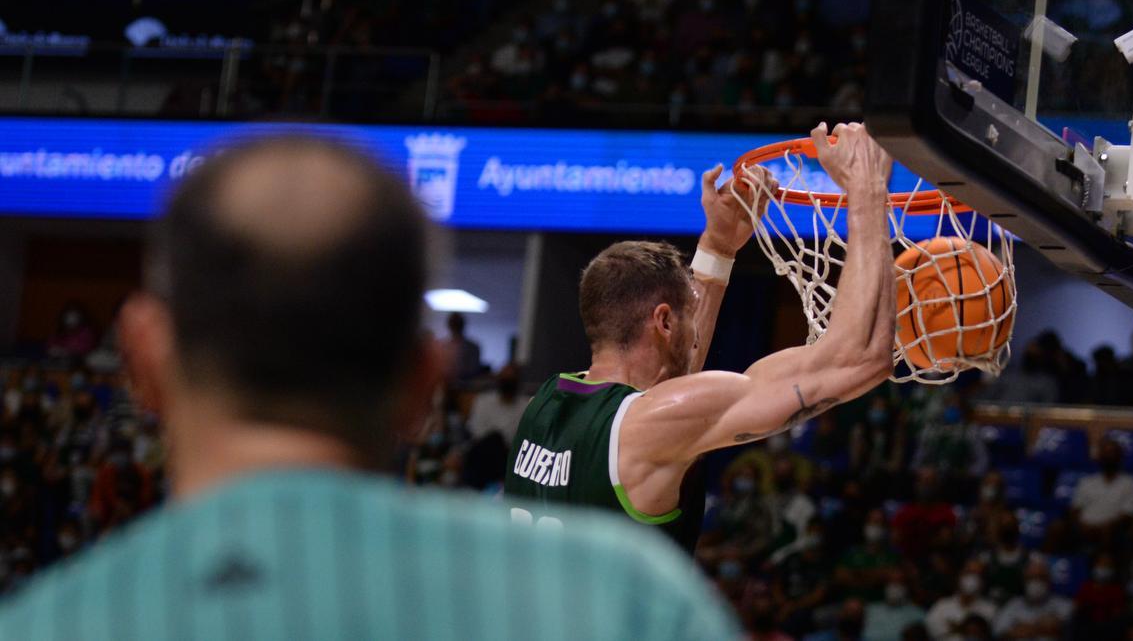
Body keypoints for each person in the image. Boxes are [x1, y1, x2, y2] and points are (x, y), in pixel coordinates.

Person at [0, 136, 739, 640]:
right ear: (426, 381)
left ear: (142, 361)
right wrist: (858, 201)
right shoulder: (625, 598)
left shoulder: (45, 623)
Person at [504, 123, 897, 551]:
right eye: (688, 316)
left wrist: (718, 248)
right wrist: (868, 191)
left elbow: (665, 392)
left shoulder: (542, 406)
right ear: (664, 322)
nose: (696, 332)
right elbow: (858, 358)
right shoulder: (646, 428)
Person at [1071, 438, 1133, 544]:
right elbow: (1076, 509)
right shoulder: (1087, 481)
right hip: (1084, 527)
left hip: (1112, 529)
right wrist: (1082, 525)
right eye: (1105, 453)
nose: (1108, 457)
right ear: (1099, 457)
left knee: (1108, 532)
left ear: (1119, 457)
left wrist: (1106, 526)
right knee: (1057, 528)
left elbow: (1128, 514)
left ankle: (1104, 558)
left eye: (1112, 453)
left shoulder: (1130, 484)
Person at [992, 559, 1072, 641]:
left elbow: (1069, 630)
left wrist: (1021, 628)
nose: (1036, 582)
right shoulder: (1013, 604)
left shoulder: (1064, 605)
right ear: (1024, 581)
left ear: (1049, 580)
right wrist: (1043, 628)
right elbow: (1000, 632)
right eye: (1031, 578)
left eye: (1041, 577)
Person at [925, 560, 998, 641]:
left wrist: (957, 627)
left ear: (983, 581)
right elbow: (932, 632)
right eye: (968, 572)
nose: (971, 578)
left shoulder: (991, 610)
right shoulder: (941, 606)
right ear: (959, 576)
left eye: (977, 575)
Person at [864, 570, 926, 641]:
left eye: (898, 583)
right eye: (891, 583)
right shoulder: (871, 609)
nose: (894, 588)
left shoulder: (918, 613)